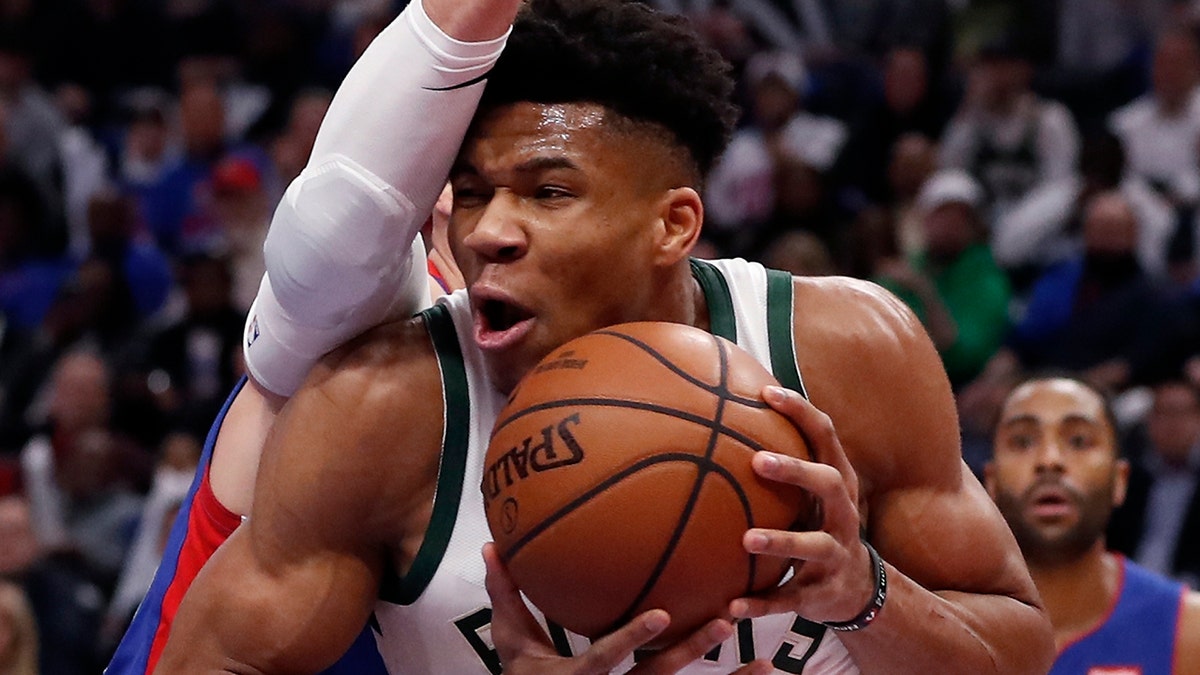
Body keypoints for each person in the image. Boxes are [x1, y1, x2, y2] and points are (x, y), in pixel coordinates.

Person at [146, 1, 1054, 673]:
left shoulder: (843, 352)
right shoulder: (386, 408)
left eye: (547, 191)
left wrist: (870, 597)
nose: (489, 230)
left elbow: (1019, 650)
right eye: (472, 193)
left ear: (675, 224)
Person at [985, 375, 1200, 673]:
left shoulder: (1190, 630)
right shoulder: (940, 628)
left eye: (1079, 440)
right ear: (990, 483)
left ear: (1120, 481)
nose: (1050, 460)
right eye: (1023, 441)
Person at [1107, 379, 1200, 588]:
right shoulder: (1129, 478)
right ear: (1149, 422)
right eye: (1163, 414)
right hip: (1127, 586)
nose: (1173, 424)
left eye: (1181, 413)